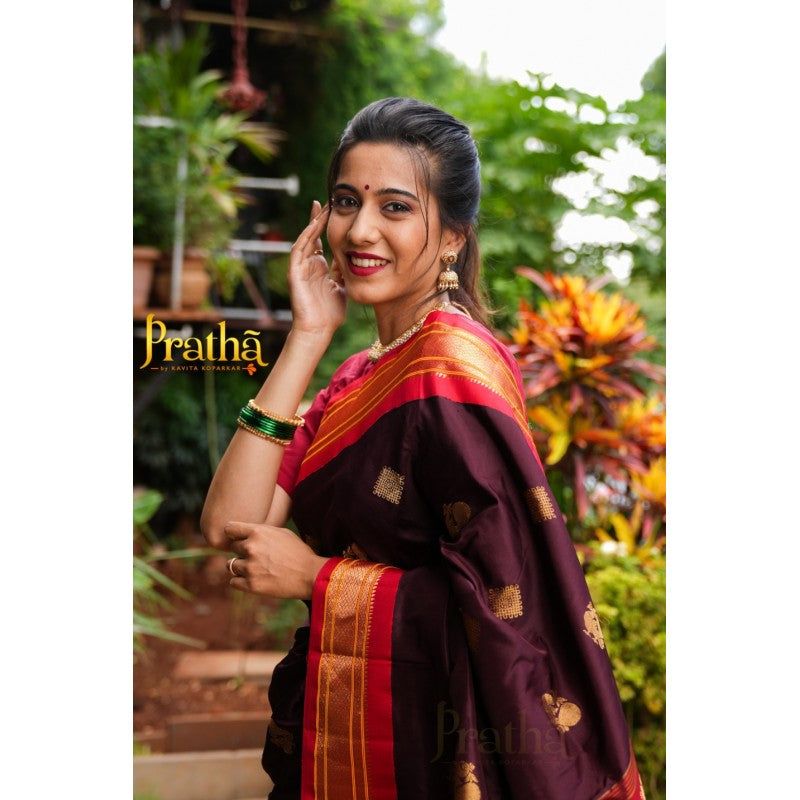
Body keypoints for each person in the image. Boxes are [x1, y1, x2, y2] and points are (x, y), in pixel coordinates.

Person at [201, 97, 644, 800]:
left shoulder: (452, 370)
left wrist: (319, 579)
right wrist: (307, 336)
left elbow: (510, 602)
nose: (360, 230)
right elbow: (230, 524)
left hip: (432, 751)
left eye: (396, 208)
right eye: (346, 202)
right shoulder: (358, 374)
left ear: (452, 239)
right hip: (341, 723)